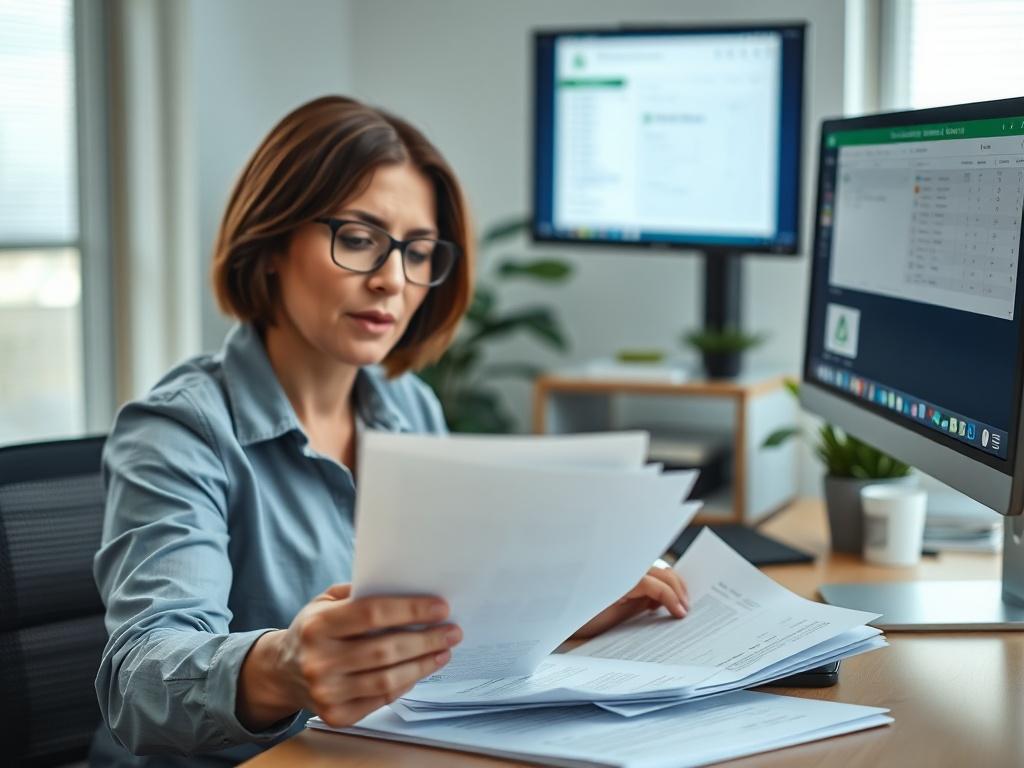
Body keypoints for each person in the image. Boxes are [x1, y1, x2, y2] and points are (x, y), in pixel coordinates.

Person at [89, 96, 690, 767]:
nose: (391, 280)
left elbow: (449, 619)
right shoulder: (178, 433)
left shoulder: (409, 408)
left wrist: (564, 604)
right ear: (270, 247)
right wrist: (281, 666)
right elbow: (138, 677)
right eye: (357, 239)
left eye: (418, 252)